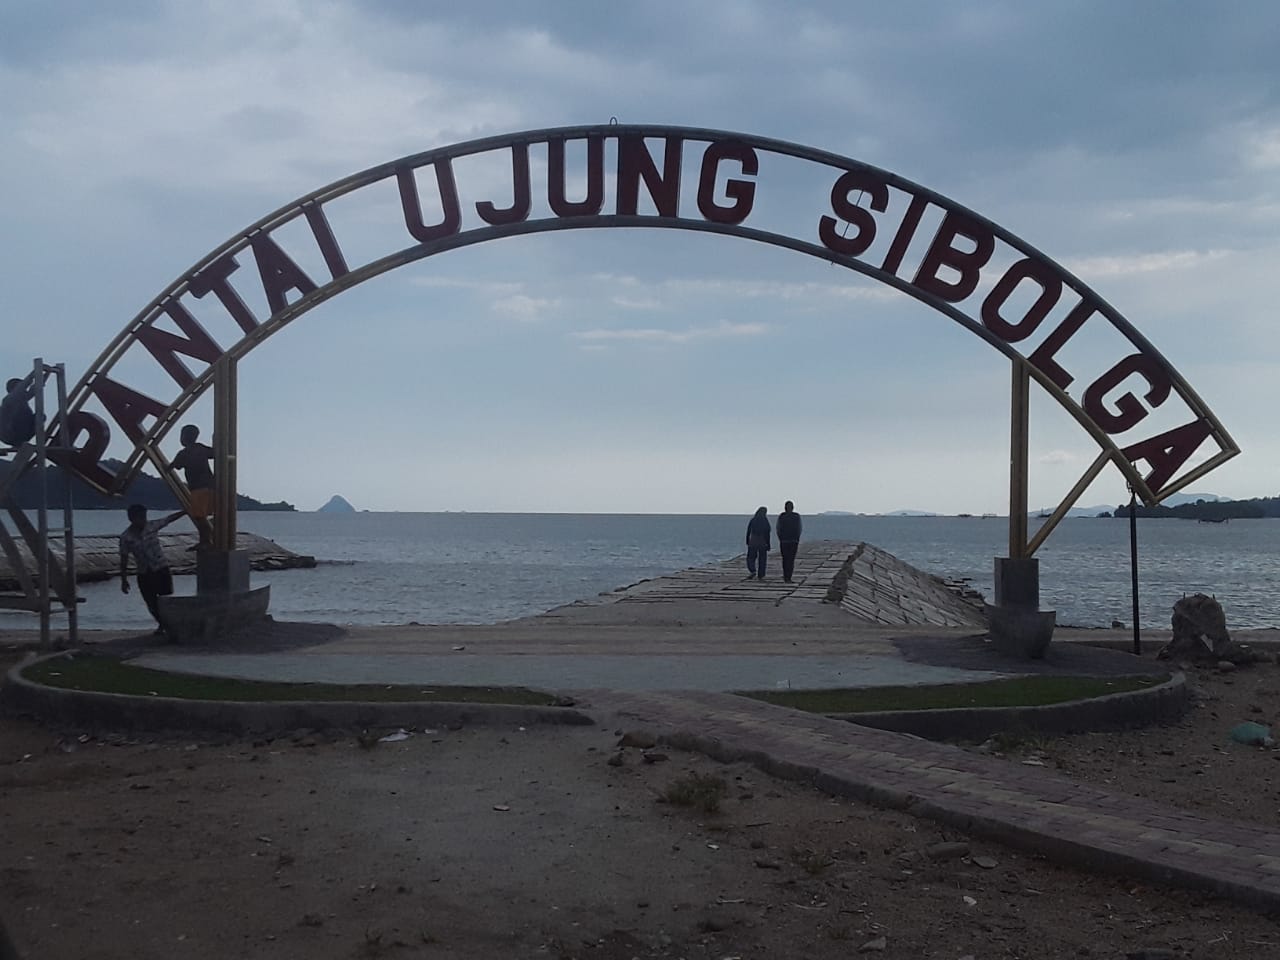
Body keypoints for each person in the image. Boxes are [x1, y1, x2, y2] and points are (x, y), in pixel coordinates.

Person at [119, 504, 186, 633]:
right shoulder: (126, 537)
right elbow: (124, 558)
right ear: (132, 518)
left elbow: (169, 519)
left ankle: (168, 625)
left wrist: (185, 511)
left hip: (161, 568)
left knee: (166, 598)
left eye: (144, 516)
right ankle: (162, 624)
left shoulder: (151, 526)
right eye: (140, 517)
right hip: (144, 572)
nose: (143, 519)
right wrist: (124, 579)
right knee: (151, 602)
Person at [170, 424, 215, 547]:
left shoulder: (184, 453)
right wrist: (215, 440)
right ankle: (208, 537)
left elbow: (175, 465)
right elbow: (214, 453)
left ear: (184, 437)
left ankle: (206, 541)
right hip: (210, 486)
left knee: (199, 517)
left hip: (198, 488)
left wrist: (168, 466)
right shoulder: (200, 448)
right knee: (204, 515)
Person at [0, 377, 35, 448]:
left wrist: (45, 375)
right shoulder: (9, 399)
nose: (25, 390)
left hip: (22, 434)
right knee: (23, 412)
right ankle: (18, 442)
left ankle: (21, 441)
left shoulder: (22, 399)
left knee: (40, 416)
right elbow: (21, 388)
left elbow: (35, 389)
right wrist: (33, 374)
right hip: (10, 434)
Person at [776, 500, 803, 583]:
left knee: (785, 559)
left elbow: (778, 528)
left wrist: (780, 538)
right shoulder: (796, 516)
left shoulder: (782, 516)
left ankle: (786, 576)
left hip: (784, 541)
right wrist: (797, 538)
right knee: (791, 560)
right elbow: (799, 528)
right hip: (793, 541)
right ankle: (789, 577)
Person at [745, 506, 771, 580]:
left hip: (753, 540)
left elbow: (748, 530)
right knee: (762, 558)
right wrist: (768, 544)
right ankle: (761, 574)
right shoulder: (765, 521)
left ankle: (752, 569)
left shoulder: (753, 520)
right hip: (762, 540)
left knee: (751, 557)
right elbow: (767, 533)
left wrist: (747, 539)